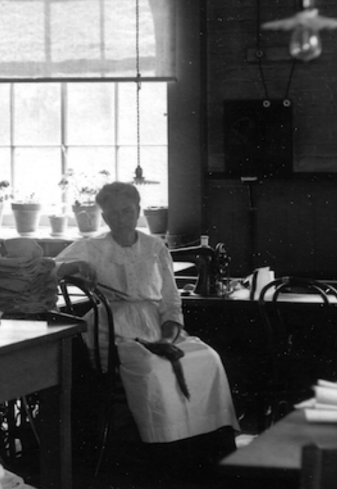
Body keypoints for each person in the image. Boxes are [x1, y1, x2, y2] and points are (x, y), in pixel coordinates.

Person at [55, 181, 237, 445]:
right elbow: (44, 267)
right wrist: (76, 264)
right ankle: (161, 444)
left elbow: (170, 300)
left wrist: (169, 335)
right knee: (151, 367)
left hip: (155, 324)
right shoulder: (91, 248)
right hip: (112, 328)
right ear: (104, 217)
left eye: (127, 211)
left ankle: (206, 443)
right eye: (113, 213)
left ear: (138, 210)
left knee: (208, 358)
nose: (121, 218)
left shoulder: (155, 247)